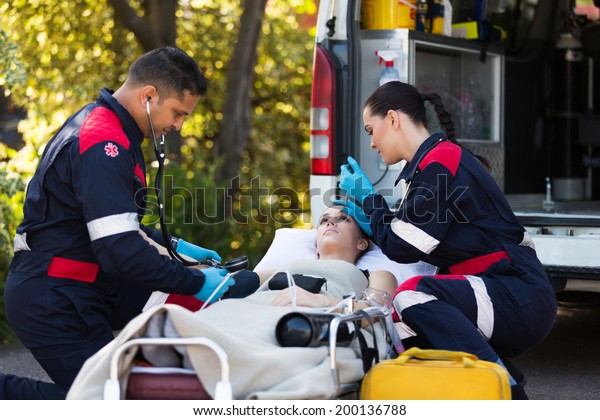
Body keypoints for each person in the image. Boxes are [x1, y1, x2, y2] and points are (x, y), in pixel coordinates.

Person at [1, 47, 234, 399]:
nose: (178, 125)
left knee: (124, 393)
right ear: (149, 96)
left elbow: (108, 222)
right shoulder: (103, 142)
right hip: (55, 296)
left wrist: (173, 246)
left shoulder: (110, 129)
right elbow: (120, 251)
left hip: (80, 287)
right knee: (106, 403)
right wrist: (196, 281)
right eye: (178, 113)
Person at [338, 81, 558, 399]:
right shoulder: (433, 165)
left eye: (371, 130)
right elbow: (411, 238)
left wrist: (372, 202)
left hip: (519, 294)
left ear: (393, 119)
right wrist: (375, 224)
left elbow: (404, 247)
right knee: (398, 333)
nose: (371, 143)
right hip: (506, 294)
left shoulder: (441, 163)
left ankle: (503, 390)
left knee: (410, 296)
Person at [66, 204, 398, 400]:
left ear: (362, 242)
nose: (329, 223)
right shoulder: (280, 268)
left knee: (264, 339)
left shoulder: (373, 274)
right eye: (325, 219)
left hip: (306, 317)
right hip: (250, 308)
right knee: (198, 318)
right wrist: (164, 250)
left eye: (343, 219)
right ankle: (178, 354)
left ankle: (197, 366)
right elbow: (224, 282)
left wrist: (322, 300)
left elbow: (377, 313)